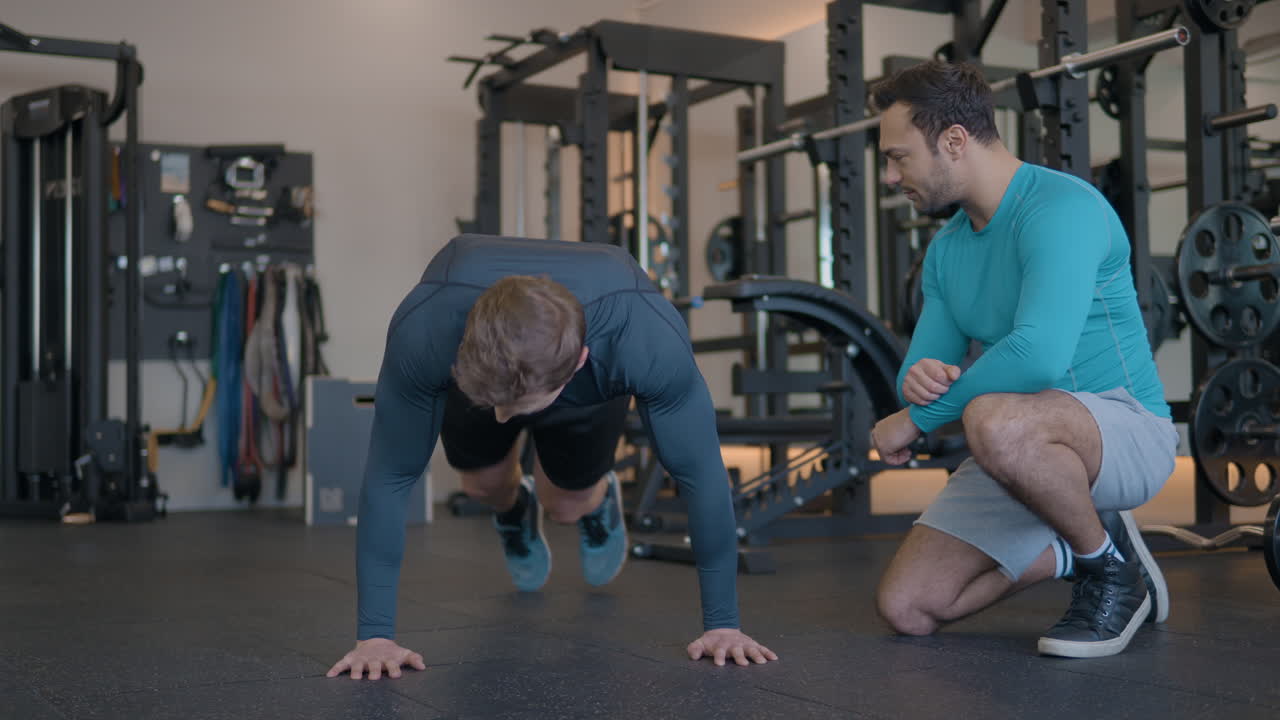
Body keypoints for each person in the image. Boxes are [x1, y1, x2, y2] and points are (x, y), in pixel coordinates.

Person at [326, 234, 777, 680]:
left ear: (580, 360)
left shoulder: (643, 338)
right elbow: (391, 475)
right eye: (499, 407)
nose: (503, 419)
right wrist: (375, 636)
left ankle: (595, 498)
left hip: (587, 378)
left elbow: (700, 474)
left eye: (514, 409)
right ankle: (513, 509)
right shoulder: (427, 329)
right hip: (486, 371)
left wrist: (723, 625)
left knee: (566, 503)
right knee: (482, 485)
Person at [867, 61, 1178, 658]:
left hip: (1126, 428)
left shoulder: (1062, 209)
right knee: (909, 607)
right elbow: (922, 372)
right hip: (1018, 443)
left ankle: (1112, 577)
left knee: (992, 417)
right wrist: (920, 381)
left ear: (953, 141)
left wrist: (915, 420)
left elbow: (1037, 356)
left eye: (898, 156)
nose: (889, 175)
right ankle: (1086, 541)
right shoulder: (947, 251)